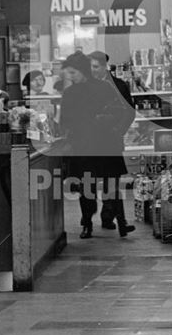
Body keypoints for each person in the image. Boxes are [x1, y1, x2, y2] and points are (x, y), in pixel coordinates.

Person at [58, 51, 136, 239]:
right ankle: (117, 224)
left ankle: (90, 225)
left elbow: (65, 121)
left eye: (73, 73)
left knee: (88, 187)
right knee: (108, 186)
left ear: (82, 71)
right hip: (106, 144)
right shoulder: (104, 88)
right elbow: (118, 112)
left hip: (87, 146)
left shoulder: (72, 93)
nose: (70, 77)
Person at [89, 51, 136, 230]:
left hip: (111, 140)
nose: (92, 71)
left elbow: (129, 111)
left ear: (104, 66)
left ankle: (110, 217)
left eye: (95, 67)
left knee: (112, 182)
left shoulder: (119, 86)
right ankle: (94, 219)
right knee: (90, 181)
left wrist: (118, 130)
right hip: (91, 142)